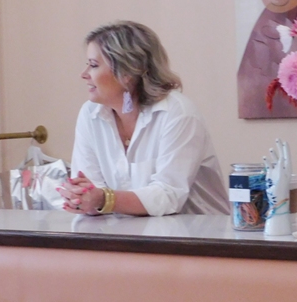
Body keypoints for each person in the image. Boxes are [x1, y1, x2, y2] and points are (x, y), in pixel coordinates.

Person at [59, 21, 230, 217]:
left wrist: (102, 199)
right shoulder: (90, 113)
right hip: (126, 231)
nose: (84, 74)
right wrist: (81, 197)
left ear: (127, 73)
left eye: (94, 65)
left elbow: (168, 195)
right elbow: (90, 190)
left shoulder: (178, 113)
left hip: (199, 231)